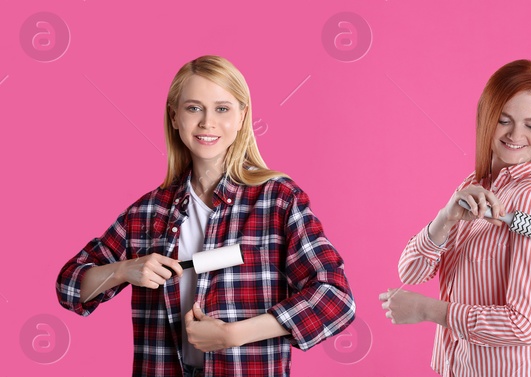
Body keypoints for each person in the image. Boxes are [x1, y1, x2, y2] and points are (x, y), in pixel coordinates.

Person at [54, 55, 355, 377]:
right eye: (193, 108)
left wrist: (233, 334)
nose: (207, 123)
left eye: (222, 109)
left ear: (242, 116)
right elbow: (70, 288)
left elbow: (335, 299)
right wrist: (124, 270)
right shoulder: (146, 213)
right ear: (174, 117)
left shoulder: (277, 200)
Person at [380, 59, 531, 376]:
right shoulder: (473, 188)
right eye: (504, 120)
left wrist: (425, 309)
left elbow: (524, 326)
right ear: (485, 118)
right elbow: (411, 272)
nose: (516, 135)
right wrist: (444, 219)